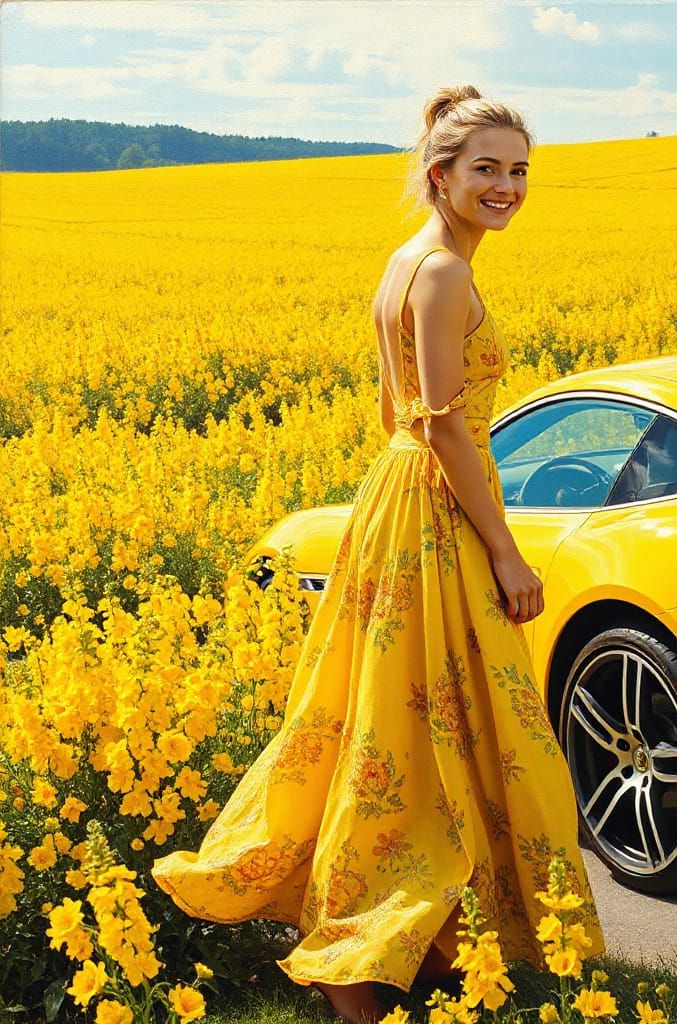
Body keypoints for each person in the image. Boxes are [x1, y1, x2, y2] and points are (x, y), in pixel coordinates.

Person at [151, 84, 605, 1023]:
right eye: (487, 169)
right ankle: (367, 957)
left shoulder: (404, 262)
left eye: (519, 170)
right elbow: (441, 425)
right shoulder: (442, 273)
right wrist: (508, 552)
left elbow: (398, 416)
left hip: (395, 501)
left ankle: (428, 942)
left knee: (401, 722)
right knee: (426, 728)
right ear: (439, 174)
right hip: (437, 506)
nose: (508, 186)